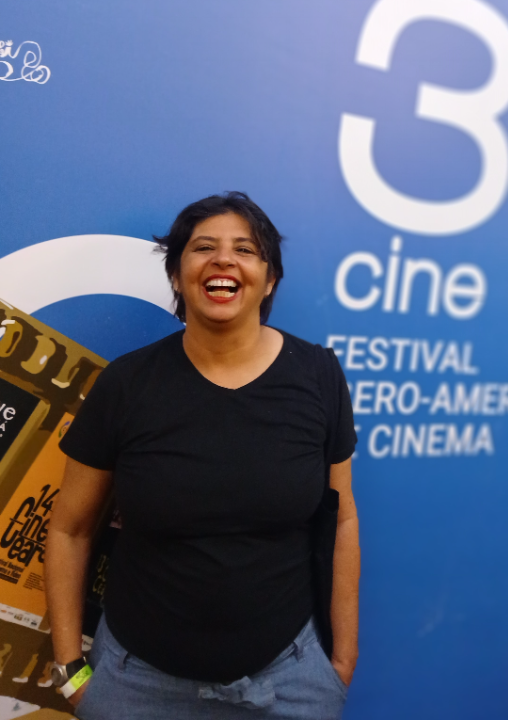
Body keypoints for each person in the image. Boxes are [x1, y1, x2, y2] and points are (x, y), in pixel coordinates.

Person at [45, 192, 360, 720]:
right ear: (176, 274)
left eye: (246, 249)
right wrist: (69, 669)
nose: (224, 260)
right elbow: (69, 530)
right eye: (203, 247)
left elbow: (342, 518)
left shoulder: (318, 376)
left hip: (289, 682)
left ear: (270, 279)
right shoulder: (126, 384)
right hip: (134, 687)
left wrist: (341, 661)